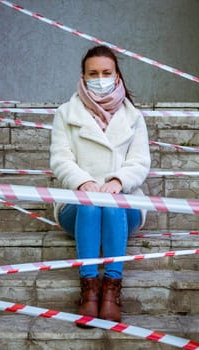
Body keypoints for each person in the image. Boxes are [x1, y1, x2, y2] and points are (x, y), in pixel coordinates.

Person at [50, 45, 151, 324]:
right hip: (78, 206)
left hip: (124, 204)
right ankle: (90, 291)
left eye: (106, 72)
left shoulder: (134, 118)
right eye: (93, 73)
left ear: (117, 76)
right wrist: (84, 183)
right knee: (93, 205)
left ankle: (111, 292)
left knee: (112, 204)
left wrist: (119, 181)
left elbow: (140, 162)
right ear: (83, 76)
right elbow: (60, 159)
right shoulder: (66, 114)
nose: (100, 78)